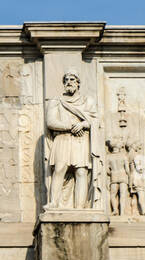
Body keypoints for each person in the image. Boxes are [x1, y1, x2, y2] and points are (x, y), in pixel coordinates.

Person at [44, 72, 95, 210]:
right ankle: (54, 202)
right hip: (62, 139)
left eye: (72, 79)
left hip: (81, 140)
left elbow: (94, 120)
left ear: (78, 82)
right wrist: (70, 127)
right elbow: (51, 122)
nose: (69, 82)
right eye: (66, 80)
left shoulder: (87, 101)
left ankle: (80, 207)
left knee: (81, 172)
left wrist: (83, 124)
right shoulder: (56, 101)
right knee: (59, 169)